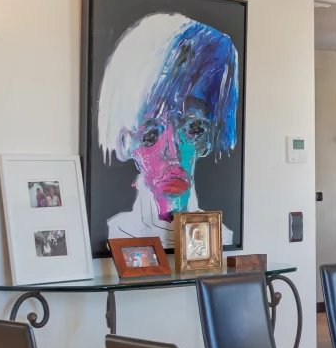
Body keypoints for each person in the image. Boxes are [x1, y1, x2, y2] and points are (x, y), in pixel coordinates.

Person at [97, 13, 239, 248]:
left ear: (206, 139)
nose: (173, 153)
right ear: (126, 142)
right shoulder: (117, 234)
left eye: (193, 128)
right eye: (151, 135)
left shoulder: (222, 238)